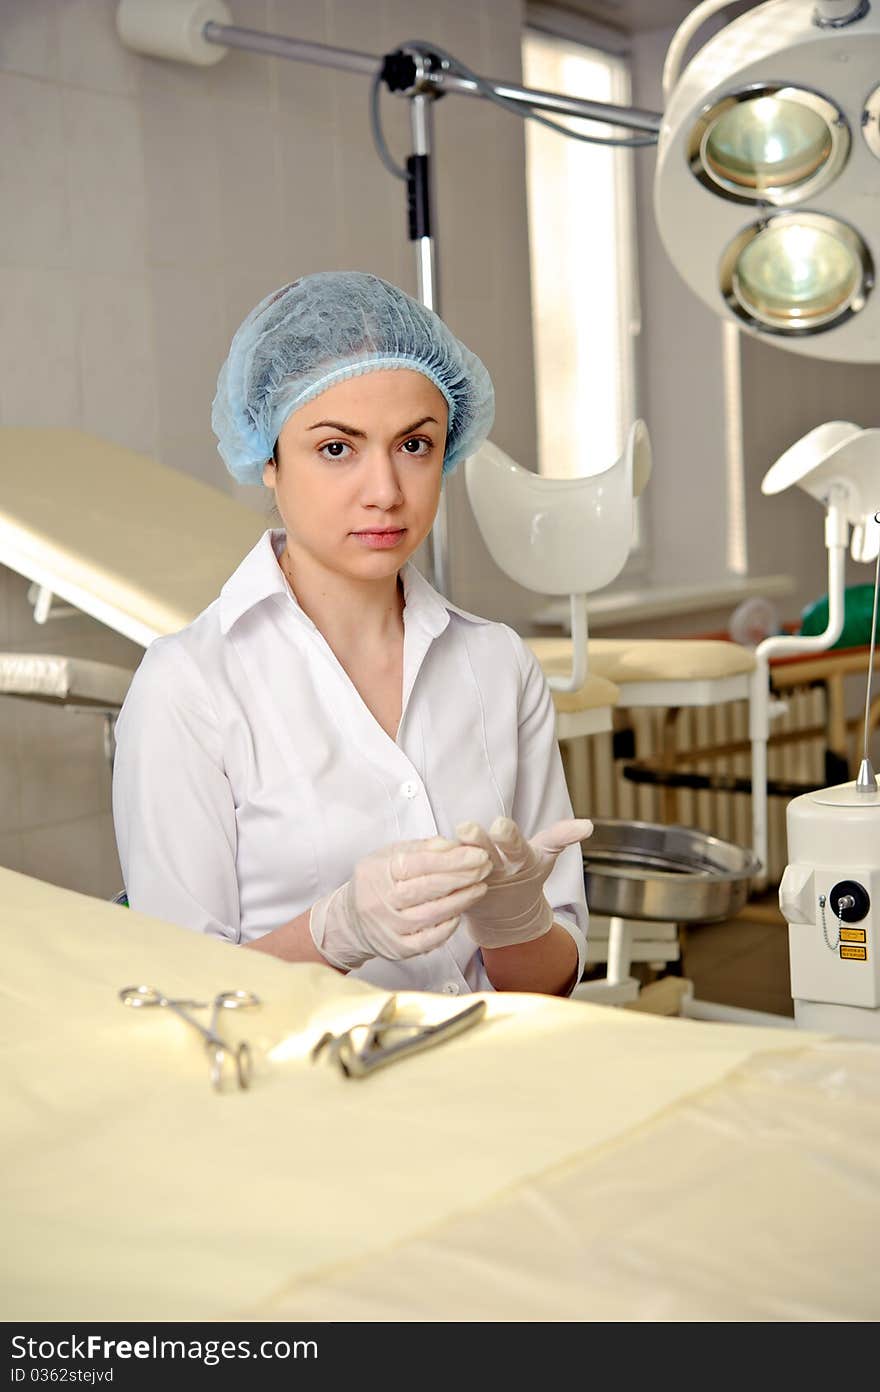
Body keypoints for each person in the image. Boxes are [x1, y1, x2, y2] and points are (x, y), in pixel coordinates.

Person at [112, 272, 591, 997]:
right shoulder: (191, 686)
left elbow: (549, 988)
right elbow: (180, 995)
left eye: (415, 446)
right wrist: (335, 931)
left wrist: (517, 922)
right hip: (300, 1098)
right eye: (337, 448)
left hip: (492, 1082)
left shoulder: (497, 664)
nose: (386, 491)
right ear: (268, 459)